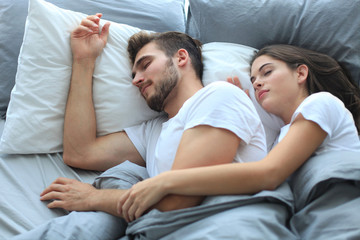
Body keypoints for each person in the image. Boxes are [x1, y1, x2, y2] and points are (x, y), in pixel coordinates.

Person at [12, 13, 273, 239]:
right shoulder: (154, 131)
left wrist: (92, 198)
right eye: (133, 74)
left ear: (181, 58)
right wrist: (83, 61)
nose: (137, 80)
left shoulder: (220, 95)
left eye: (145, 65)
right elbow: (79, 152)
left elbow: (179, 201)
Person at [117, 44, 360, 223]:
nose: (256, 83)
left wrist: (165, 181)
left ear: (301, 73)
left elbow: (268, 174)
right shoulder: (279, 139)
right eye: (253, 78)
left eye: (266, 72)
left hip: (340, 217)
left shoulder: (321, 103)